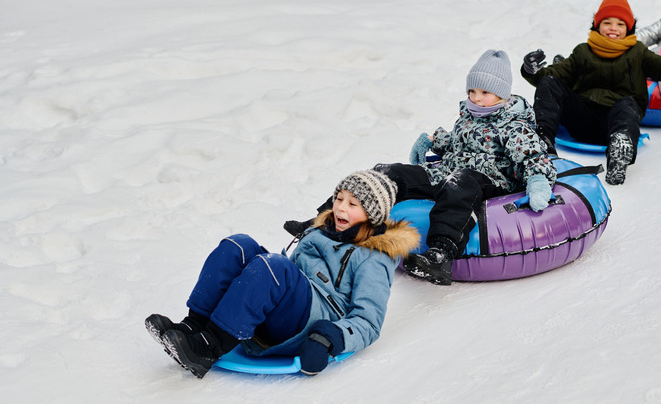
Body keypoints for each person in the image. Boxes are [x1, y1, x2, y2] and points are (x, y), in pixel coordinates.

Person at [286, 50, 557, 286]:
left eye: (484, 92)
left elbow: (532, 155)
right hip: (450, 169)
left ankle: (440, 253)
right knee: (389, 171)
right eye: (472, 91)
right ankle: (324, 221)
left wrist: (537, 180)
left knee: (458, 183)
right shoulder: (470, 114)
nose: (476, 98)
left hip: (488, 178)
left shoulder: (514, 124)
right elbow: (459, 142)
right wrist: (433, 139)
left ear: (502, 94)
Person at [145, 170, 420, 378]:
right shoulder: (320, 230)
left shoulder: (375, 256)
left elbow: (369, 322)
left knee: (274, 267)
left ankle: (208, 347)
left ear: (371, 214)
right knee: (238, 246)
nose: (340, 208)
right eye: (339, 199)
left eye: (352, 204)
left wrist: (330, 338)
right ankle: (195, 326)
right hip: (288, 303)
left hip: (309, 323)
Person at [521, 0, 661, 185]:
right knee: (550, 82)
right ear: (597, 25)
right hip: (581, 118)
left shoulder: (638, 52)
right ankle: (542, 142)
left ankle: (620, 147)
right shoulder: (582, 51)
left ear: (628, 28)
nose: (613, 28)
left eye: (620, 24)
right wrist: (531, 71)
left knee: (628, 103)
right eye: (607, 22)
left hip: (614, 122)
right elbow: (553, 76)